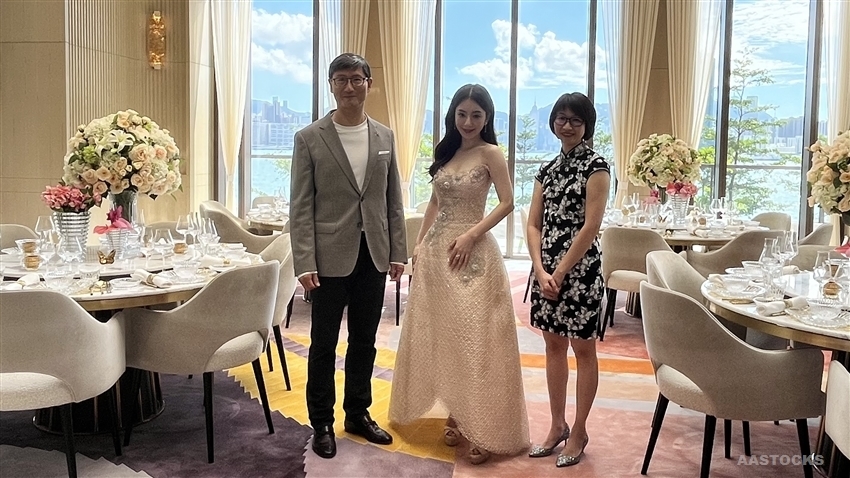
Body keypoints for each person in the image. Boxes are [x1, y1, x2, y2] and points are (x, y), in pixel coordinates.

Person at [388, 84, 529, 465]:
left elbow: (507, 202)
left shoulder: (490, 152)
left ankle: (481, 424)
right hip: (437, 254)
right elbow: (435, 202)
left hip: (474, 254)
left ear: (487, 118)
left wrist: (471, 234)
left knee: (477, 337)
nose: (468, 122)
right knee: (447, 334)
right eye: (462, 114)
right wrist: (419, 245)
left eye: (476, 115)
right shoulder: (447, 151)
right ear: (453, 115)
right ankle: (455, 413)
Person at [290, 53, 408, 459]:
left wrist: (398, 251)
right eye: (340, 79)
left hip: (372, 254)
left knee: (365, 341)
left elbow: (393, 200)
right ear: (331, 85)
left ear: (369, 84)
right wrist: (304, 261)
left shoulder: (385, 136)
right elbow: (300, 207)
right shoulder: (309, 137)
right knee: (323, 344)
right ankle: (321, 422)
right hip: (327, 258)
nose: (349, 87)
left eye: (357, 79)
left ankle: (357, 413)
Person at [526, 92, 609, 467]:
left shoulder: (597, 167)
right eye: (561, 118)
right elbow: (533, 224)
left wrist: (559, 272)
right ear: (553, 123)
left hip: (580, 271)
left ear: (587, 125)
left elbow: (591, 226)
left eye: (576, 120)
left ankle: (579, 430)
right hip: (546, 271)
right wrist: (540, 269)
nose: (568, 125)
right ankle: (557, 424)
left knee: (584, 350)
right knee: (553, 347)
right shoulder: (546, 170)